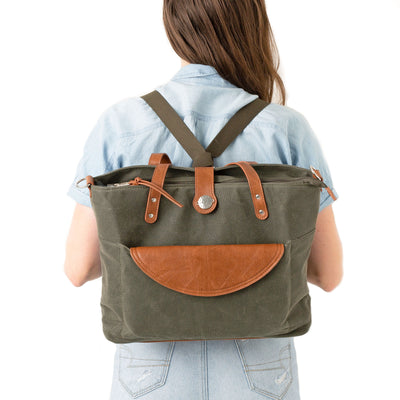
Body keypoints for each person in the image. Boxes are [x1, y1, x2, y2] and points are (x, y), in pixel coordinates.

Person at [64, 1, 343, 399]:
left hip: (151, 370)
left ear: (174, 27)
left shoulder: (119, 125)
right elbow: (328, 274)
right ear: (252, 26)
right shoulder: (287, 129)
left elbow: (78, 268)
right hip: (259, 368)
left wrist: (159, 260)